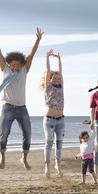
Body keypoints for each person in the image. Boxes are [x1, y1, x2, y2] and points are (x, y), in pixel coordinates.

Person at [0, 26, 44, 170]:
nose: (15, 67)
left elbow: (31, 55)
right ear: (9, 64)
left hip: (22, 108)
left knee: (27, 133)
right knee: (4, 133)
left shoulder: (24, 71)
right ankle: (2, 155)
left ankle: (24, 158)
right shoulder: (5, 69)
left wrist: (37, 40)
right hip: (7, 107)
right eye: (13, 64)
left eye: (18, 64)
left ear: (21, 64)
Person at [40, 49, 65, 178]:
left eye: (57, 78)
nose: (56, 79)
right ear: (49, 80)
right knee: (49, 143)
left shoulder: (61, 86)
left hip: (61, 119)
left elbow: (60, 72)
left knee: (59, 143)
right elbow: (48, 70)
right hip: (49, 119)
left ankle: (58, 165)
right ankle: (47, 167)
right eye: (54, 78)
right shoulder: (48, 87)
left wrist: (59, 59)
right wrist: (48, 57)